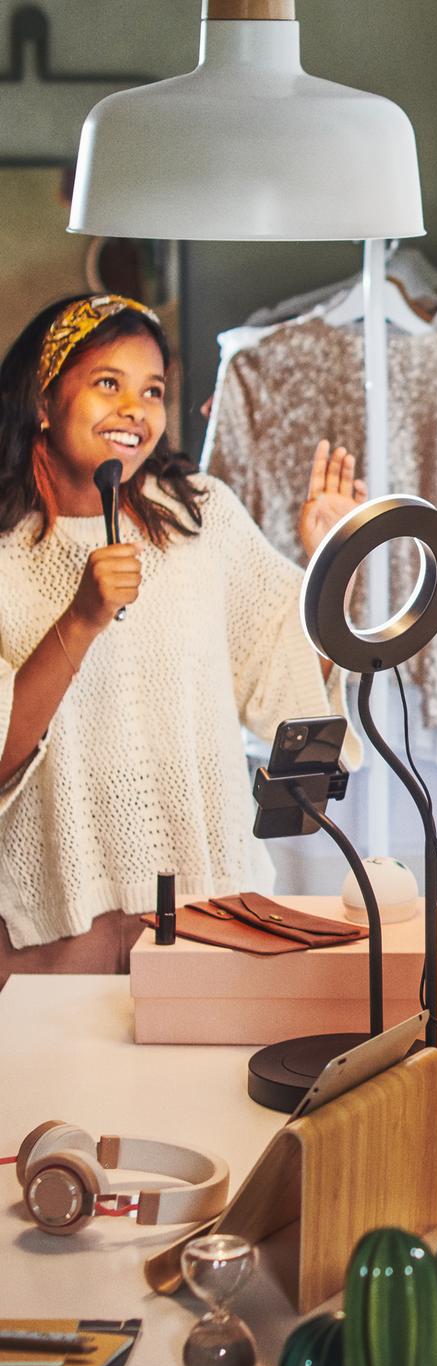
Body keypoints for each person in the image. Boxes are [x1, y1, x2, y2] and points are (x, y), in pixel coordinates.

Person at [0, 293, 364, 982]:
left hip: (205, 912)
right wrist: (80, 620)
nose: (134, 410)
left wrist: (330, 567)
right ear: (43, 401)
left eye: (152, 391)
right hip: (50, 931)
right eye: (108, 383)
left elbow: (285, 686)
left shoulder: (201, 518)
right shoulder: (7, 551)